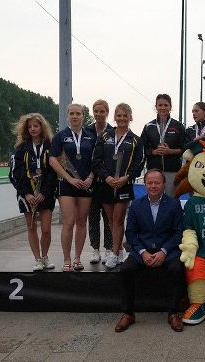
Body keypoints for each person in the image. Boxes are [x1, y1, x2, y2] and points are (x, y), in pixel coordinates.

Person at [114, 169, 185, 332]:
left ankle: (173, 313)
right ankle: (128, 313)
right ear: (145, 184)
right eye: (150, 183)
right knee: (126, 269)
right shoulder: (136, 205)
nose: (153, 186)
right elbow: (131, 233)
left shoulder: (174, 204)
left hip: (167, 250)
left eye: (157, 182)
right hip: (142, 250)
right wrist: (142, 252)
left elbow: (179, 232)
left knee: (177, 268)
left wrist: (164, 251)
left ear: (164, 184)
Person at [92, 103, 144, 269]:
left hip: (124, 184)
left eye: (125, 116)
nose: (122, 118)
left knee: (118, 219)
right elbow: (96, 161)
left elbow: (139, 163)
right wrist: (106, 177)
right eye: (119, 115)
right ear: (114, 117)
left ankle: (114, 254)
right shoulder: (105, 136)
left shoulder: (135, 140)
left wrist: (127, 178)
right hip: (106, 184)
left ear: (130, 117)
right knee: (110, 220)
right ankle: (120, 250)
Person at [49, 103, 96, 272]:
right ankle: (67, 259)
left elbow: (97, 160)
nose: (75, 116)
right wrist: (69, 178)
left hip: (86, 184)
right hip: (67, 185)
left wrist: (91, 177)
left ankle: (77, 258)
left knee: (82, 221)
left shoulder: (91, 136)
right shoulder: (60, 136)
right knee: (68, 222)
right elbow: (53, 160)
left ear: (83, 116)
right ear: (67, 115)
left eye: (78, 113)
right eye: (72, 113)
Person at [9, 113, 57, 271]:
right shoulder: (21, 148)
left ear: (42, 127)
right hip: (27, 195)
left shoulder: (50, 145)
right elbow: (15, 173)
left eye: (36, 126)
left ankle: (45, 257)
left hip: (45, 194)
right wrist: (27, 194)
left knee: (46, 229)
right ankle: (37, 259)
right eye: (30, 127)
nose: (33, 129)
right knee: (31, 227)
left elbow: (53, 172)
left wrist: (44, 192)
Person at [85, 99, 114, 265]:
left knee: (108, 217)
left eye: (102, 111)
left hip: (107, 181)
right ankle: (95, 249)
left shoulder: (112, 131)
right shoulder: (87, 131)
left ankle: (109, 249)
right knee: (93, 216)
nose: (98, 114)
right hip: (91, 182)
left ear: (107, 113)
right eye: (96, 111)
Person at [141, 94, 186, 196]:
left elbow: (184, 148)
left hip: (172, 170)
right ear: (156, 107)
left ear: (170, 107)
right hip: (154, 169)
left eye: (166, 105)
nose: (163, 108)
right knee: (154, 197)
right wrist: (153, 151)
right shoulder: (149, 126)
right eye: (160, 105)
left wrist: (170, 151)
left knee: (171, 198)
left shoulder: (178, 126)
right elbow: (141, 148)